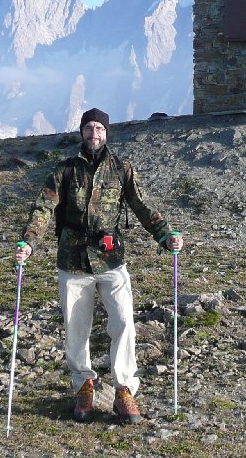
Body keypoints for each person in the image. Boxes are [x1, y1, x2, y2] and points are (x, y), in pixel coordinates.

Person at [14, 107, 184, 424]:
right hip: (72, 261)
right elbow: (43, 207)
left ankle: (124, 391)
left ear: (107, 133)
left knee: (123, 323)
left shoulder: (121, 169)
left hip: (111, 259)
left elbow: (143, 205)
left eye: (100, 129)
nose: (95, 134)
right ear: (81, 132)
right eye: (89, 128)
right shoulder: (64, 171)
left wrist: (165, 235)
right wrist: (29, 241)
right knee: (76, 328)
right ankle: (84, 386)